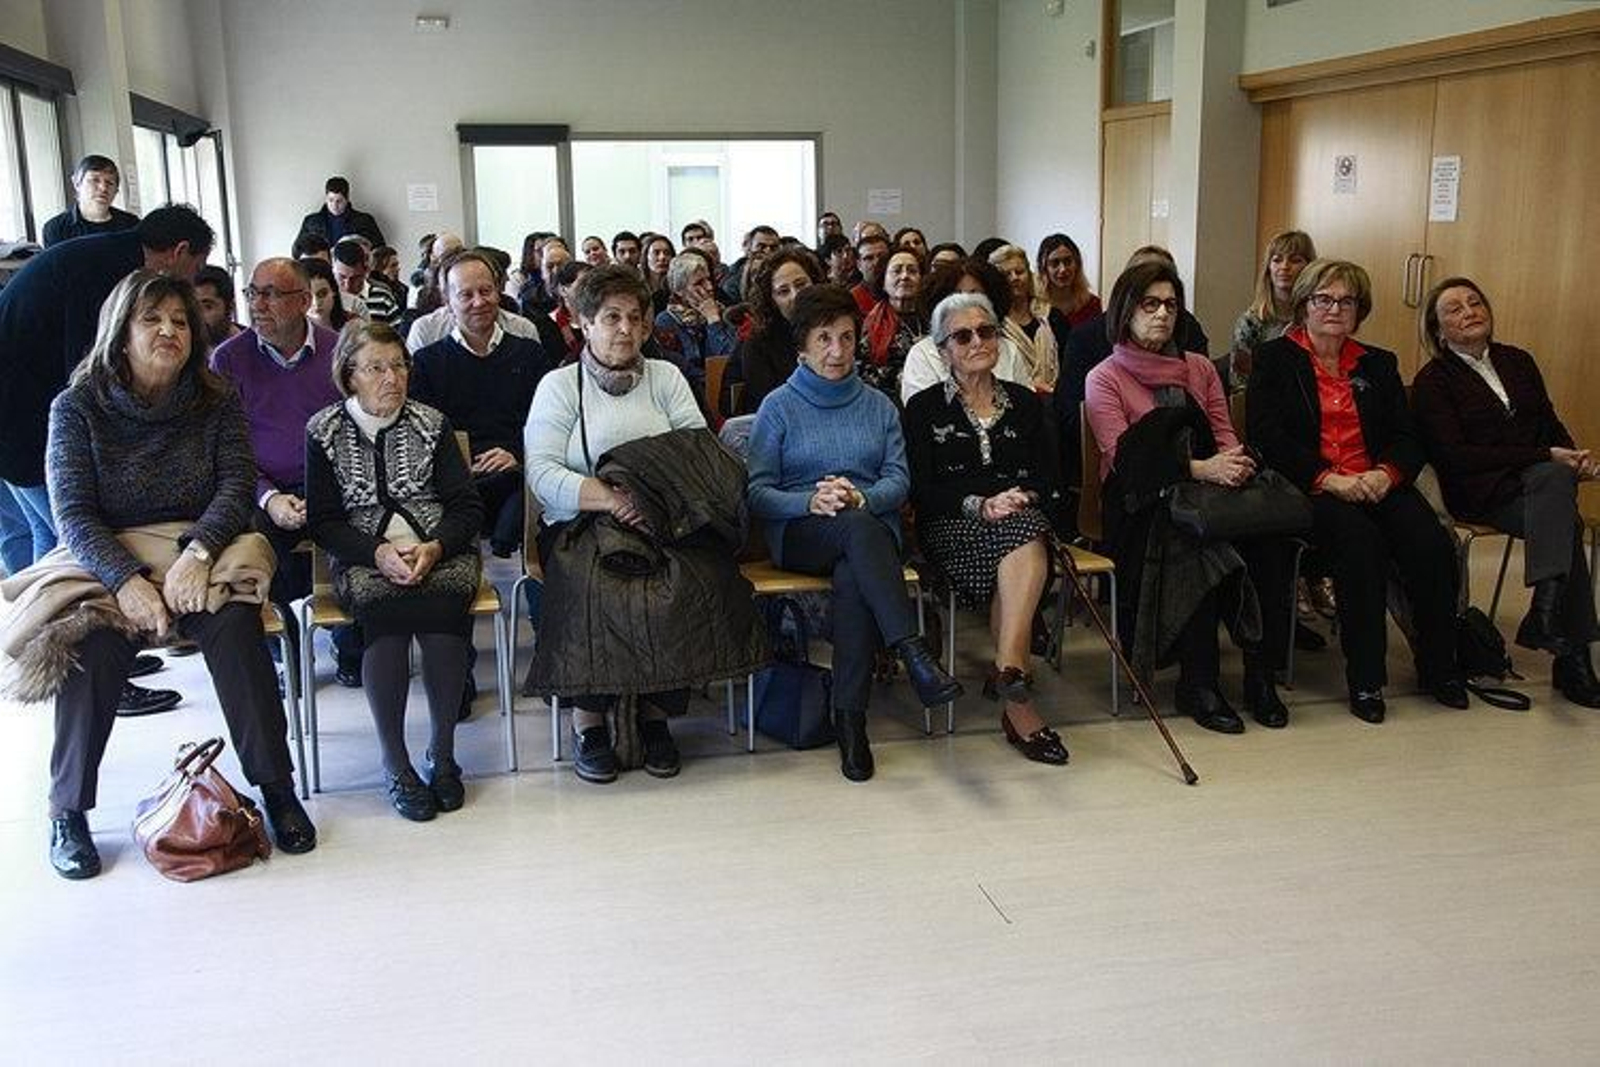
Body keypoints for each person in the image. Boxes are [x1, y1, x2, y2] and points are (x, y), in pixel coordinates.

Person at [27, 270, 315, 878]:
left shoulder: (215, 398)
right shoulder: (76, 407)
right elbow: (72, 513)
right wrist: (127, 581)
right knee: (93, 646)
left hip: (198, 550)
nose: (169, 332)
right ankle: (68, 810)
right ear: (120, 331)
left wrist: (198, 552)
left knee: (238, 631)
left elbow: (237, 486)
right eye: (151, 319)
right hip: (111, 556)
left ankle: (276, 788)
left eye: (181, 321)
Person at [525, 265, 750, 784]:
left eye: (634, 318)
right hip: (581, 521)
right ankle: (590, 724)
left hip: (663, 517)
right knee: (593, 583)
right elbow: (541, 471)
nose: (624, 329)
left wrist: (648, 501)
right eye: (610, 318)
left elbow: (699, 454)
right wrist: (608, 498)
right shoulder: (559, 386)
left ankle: (655, 718)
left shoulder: (666, 377)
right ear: (584, 323)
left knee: (686, 579)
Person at [0, 204, 212, 715]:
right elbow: (90, 369)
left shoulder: (95, 253)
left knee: (23, 541)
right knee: (69, 554)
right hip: (22, 424)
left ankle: (91, 660)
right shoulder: (114, 272)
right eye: (195, 271)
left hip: (13, 416)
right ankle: (95, 676)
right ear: (180, 253)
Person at [746, 284, 962, 782]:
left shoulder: (880, 406)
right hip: (802, 533)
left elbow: (898, 480)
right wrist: (810, 500)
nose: (837, 352)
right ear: (801, 346)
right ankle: (911, 651)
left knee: (853, 571)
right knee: (855, 537)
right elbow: (757, 492)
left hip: (867, 533)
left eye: (846, 337)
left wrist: (861, 497)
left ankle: (850, 722)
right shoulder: (778, 407)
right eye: (823, 339)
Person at [1248, 259, 1467, 723]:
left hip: (1375, 481)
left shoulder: (1378, 363)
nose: (1334, 309)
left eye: (1346, 301)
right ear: (1304, 305)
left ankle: (1440, 665)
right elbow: (1268, 437)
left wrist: (1387, 473)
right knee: (1361, 546)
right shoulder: (1274, 359)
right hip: (1314, 487)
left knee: (1431, 542)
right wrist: (1328, 478)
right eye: (1323, 299)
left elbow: (1409, 437)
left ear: (1359, 310)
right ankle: (1366, 679)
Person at [1086, 259, 1294, 732]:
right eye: (1149, 304)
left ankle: (1261, 677)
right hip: (1141, 502)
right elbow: (1123, 460)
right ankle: (1199, 683)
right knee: (1198, 546)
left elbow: (1223, 431)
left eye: (1170, 305)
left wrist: (1233, 465)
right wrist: (1201, 469)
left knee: (1269, 541)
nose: (1162, 314)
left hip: (1210, 489)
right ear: (1126, 311)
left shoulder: (1198, 367)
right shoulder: (1105, 377)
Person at [306, 322, 484, 820]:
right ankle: (396, 763)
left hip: (437, 549)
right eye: (377, 368)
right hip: (364, 555)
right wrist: (377, 552)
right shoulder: (323, 430)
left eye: (399, 366)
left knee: (445, 624)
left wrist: (436, 546)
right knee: (385, 624)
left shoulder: (432, 423)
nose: (392, 378)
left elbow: (467, 507)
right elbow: (323, 521)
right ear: (349, 375)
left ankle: (443, 755)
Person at [1412, 276, 1600, 707]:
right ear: (1438, 331)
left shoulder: (1518, 361)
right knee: (1564, 518)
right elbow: (1455, 456)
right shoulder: (1433, 381)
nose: (1469, 312)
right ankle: (1568, 655)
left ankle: (1549, 619)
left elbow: (1548, 423)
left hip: (1538, 485)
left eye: (1475, 302)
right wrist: (1544, 457)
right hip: (1481, 492)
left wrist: (1572, 456)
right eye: (1455, 309)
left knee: (1556, 490)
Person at [904, 292, 1068, 764]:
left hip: (1021, 519)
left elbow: (1048, 478)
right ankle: (1015, 682)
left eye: (986, 331)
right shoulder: (923, 409)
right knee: (1023, 539)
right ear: (943, 350)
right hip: (953, 528)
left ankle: (1010, 679)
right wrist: (981, 503)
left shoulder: (1025, 403)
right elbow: (923, 491)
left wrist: (1020, 497)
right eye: (963, 335)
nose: (978, 341)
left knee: (1023, 530)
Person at [211, 257, 355, 683]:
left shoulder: (339, 351)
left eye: (271, 294)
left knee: (361, 529)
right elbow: (224, 451)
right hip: (261, 489)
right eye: (252, 293)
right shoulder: (228, 361)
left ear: (304, 300)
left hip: (332, 484)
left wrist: (327, 491)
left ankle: (351, 642)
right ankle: (283, 647)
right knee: (245, 542)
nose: (258, 305)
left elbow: (357, 432)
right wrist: (269, 497)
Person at [412, 249, 556, 558]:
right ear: (447, 300)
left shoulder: (529, 354)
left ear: (499, 290)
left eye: (486, 291)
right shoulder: (427, 363)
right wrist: (465, 461)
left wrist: (516, 454)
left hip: (519, 468)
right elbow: (424, 434)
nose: (479, 302)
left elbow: (549, 423)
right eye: (466, 295)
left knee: (527, 485)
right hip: (458, 477)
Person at [900, 258, 1032, 403]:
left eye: (975, 295)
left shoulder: (1009, 349)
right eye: (956, 295)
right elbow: (919, 413)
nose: (966, 303)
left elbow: (1026, 405)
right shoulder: (922, 354)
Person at [730, 246, 824, 415]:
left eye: (801, 284)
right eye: (783, 291)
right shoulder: (758, 341)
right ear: (772, 300)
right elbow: (770, 405)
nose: (795, 295)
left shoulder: (833, 328)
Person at [1230, 230, 1316, 387]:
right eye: (1277, 260)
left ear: (1310, 268)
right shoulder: (1251, 322)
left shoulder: (1319, 318)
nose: (1284, 267)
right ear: (1268, 269)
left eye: (1295, 260)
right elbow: (1239, 383)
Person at [653, 251, 737, 397]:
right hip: (689, 393)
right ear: (679, 291)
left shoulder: (720, 312)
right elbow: (683, 370)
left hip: (723, 391)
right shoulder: (666, 320)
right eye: (699, 283)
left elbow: (730, 361)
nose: (709, 287)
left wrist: (713, 321)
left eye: (708, 280)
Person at [988, 244, 1060, 392]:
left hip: (1054, 398)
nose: (1014, 278)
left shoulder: (1052, 316)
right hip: (1014, 398)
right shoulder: (992, 324)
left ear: (1029, 273)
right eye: (1006, 274)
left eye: (1019, 272)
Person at [859, 248, 924, 399]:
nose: (904, 276)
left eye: (912, 271)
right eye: (896, 271)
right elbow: (866, 375)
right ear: (883, 282)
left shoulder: (934, 319)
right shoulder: (870, 324)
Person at [41, 155, 139, 247]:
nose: (103, 188)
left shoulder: (132, 225)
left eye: (109, 183)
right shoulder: (56, 229)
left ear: (116, 191)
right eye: (95, 180)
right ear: (77, 184)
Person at [296, 175, 384, 248]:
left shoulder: (365, 221)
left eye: (339, 201)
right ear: (326, 198)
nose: (334, 205)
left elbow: (380, 250)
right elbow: (296, 251)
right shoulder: (311, 222)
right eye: (331, 200)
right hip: (319, 268)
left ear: (347, 199)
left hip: (354, 268)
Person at [1036, 233, 1100, 329]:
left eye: (1068, 261)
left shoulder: (1092, 305)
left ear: (1077, 264)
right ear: (1044, 268)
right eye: (1055, 263)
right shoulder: (1035, 306)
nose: (1063, 269)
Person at [332, 237, 399, 325]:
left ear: (366, 271)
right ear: (333, 270)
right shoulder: (328, 298)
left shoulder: (383, 298)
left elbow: (396, 336)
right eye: (341, 277)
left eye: (355, 278)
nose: (347, 285)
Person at [724, 225, 780, 304]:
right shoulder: (732, 283)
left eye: (773, 247)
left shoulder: (784, 276)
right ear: (749, 248)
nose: (768, 251)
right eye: (761, 246)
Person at [192, 264, 242, 346]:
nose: (198, 317)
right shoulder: (185, 351)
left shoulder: (254, 345)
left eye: (207, 307)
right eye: (194, 308)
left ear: (230, 307)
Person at [302, 256, 349, 333]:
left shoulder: (354, 325)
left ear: (334, 291)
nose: (316, 302)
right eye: (308, 297)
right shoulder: (290, 334)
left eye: (322, 294)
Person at [851, 232, 891, 315]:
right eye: (869, 258)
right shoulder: (851, 299)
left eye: (882, 256)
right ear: (859, 265)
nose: (876, 262)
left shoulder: (901, 293)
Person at [642, 233, 676, 315]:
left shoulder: (676, 290)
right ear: (646, 257)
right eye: (656, 253)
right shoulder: (638, 286)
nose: (662, 257)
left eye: (667, 253)